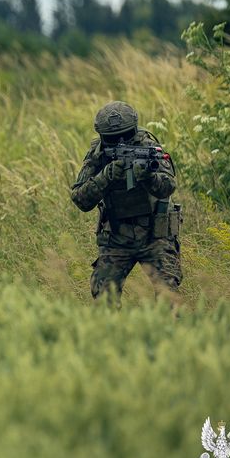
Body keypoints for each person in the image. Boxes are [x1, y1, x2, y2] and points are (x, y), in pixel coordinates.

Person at [70, 101, 183, 307]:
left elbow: (168, 187)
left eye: (126, 135)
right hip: (117, 235)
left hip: (155, 234)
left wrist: (148, 177)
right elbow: (80, 199)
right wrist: (105, 177)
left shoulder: (148, 147)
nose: (121, 142)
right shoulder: (98, 154)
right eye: (114, 138)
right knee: (103, 299)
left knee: (168, 298)